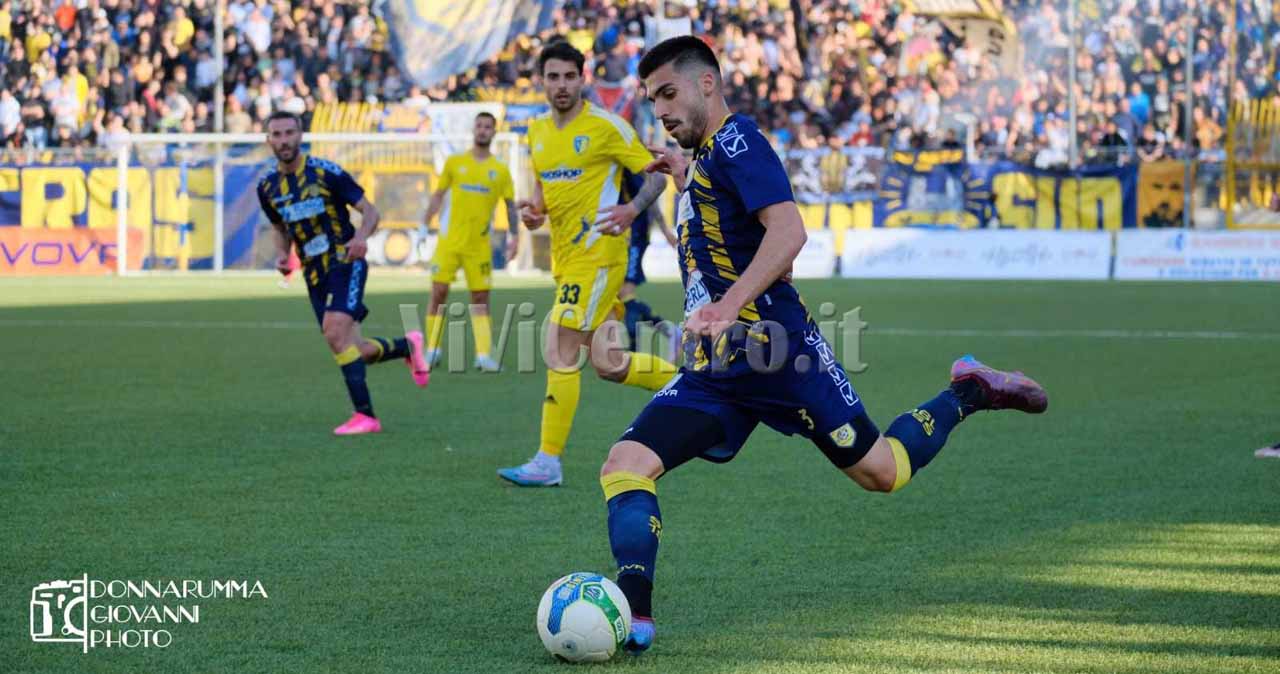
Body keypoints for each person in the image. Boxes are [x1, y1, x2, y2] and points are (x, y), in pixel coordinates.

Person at [599, 36, 1050, 653]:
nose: (661, 111)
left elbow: (788, 232)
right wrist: (683, 179)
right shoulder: (704, 159)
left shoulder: (739, 141)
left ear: (708, 83)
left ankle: (968, 391)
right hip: (718, 370)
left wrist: (727, 307)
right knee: (625, 465)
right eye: (653, 100)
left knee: (883, 473)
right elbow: (722, 232)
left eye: (669, 94)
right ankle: (634, 616)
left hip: (782, 357)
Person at [496, 40, 676, 487]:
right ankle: (698, 390)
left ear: (583, 78)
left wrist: (632, 210)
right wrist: (534, 212)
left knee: (559, 346)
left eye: (569, 76)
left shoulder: (605, 126)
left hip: (599, 256)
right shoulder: (537, 132)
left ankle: (548, 461)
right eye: (552, 76)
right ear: (541, 81)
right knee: (609, 364)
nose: (561, 85)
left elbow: (657, 175)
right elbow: (544, 190)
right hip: (566, 260)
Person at [256, 111, 429, 435]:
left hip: (345, 261)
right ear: (268, 141)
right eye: (277, 135)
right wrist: (283, 254)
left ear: (300, 135)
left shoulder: (326, 172)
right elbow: (280, 227)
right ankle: (407, 346)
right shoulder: (267, 187)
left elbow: (371, 212)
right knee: (355, 349)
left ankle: (366, 416)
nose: (284, 140)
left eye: (289, 133)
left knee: (334, 333)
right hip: (314, 274)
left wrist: (361, 238)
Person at [421, 111, 517, 372]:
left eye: (488, 126)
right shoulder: (455, 162)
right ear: (474, 130)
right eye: (479, 126)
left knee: (480, 297)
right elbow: (438, 195)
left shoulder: (500, 170)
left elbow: (510, 205)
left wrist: (516, 237)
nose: (483, 130)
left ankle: (483, 355)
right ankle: (432, 350)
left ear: (494, 132)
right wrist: (424, 224)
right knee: (438, 293)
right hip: (449, 242)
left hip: (479, 246)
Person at [618, 168, 679, 357]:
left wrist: (665, 229)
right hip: (617, 235)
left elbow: (650, 193)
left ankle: (635, 350)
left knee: (625, 293)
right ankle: (669, 331)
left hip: (634, 235)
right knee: (617, 295)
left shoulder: (629, 164)